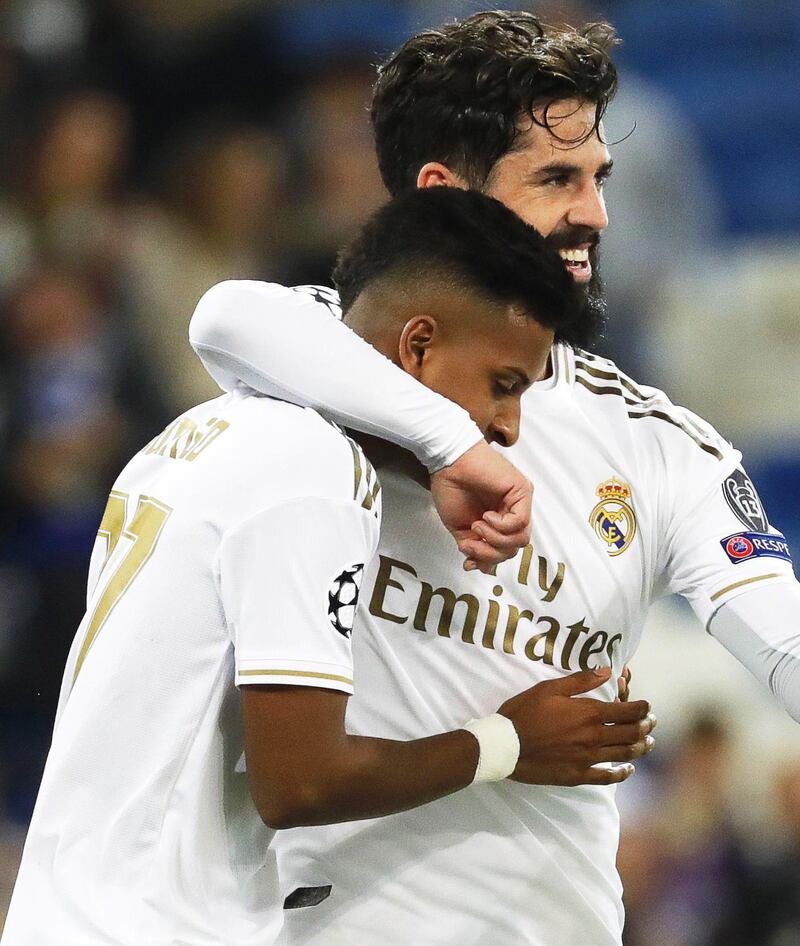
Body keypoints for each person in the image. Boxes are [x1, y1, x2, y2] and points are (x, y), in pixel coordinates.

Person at [188, 11, 800, 946]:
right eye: (557, 178)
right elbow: (226, 317)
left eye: (598, 178)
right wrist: (454, 445)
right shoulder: (319, 357)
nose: (595, 211)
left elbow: (784, 647)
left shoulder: (662, 448)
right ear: (443, 196)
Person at [1, 188, 655, 946]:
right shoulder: (316, 471)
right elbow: (300, 781)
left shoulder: (199, 429)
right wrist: (509, 742)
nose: (508, 427)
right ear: (418, 346)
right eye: (503, 384)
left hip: (64, 911)